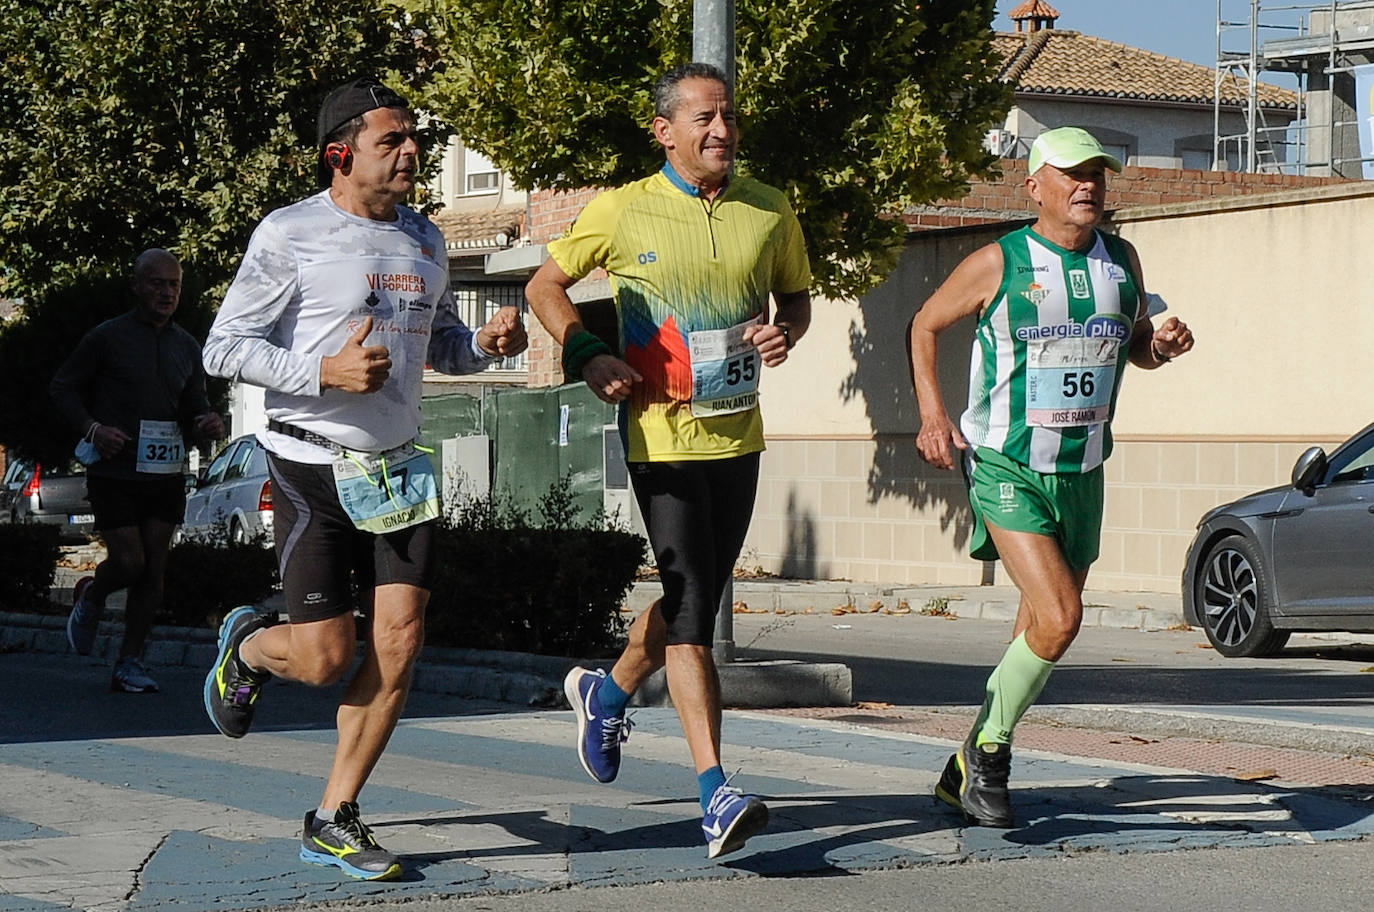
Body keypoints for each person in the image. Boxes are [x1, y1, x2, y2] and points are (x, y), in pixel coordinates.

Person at [200, 76, 527, 881]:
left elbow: (441, 345)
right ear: (340, 154)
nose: (414, 151)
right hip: (311, 462)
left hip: (398, 472)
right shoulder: (290, 233)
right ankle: (247, 647)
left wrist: (484, 347)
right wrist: (323, 371)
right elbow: (224, 347)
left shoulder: (425, 238)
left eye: (415, 139)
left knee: (401, 644)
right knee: (321, 659)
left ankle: (333, 815)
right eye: (393, 141)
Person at [525, 62, 811, 859]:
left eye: (728, 117)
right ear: (665, 131)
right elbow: (546, 287)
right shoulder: (622, 210)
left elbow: (795, 298)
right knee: (693, 617)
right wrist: (587, 352)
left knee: (696, 595)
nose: (722, 131)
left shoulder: (768, 208)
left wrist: (784, 332)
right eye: (703, 119)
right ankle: (716, 790)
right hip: (660, 438)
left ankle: (608, 688)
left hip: (738, 436)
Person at [908, 127, 1195, 828]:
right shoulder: (998, 261)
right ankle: (993, 758)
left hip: (1084, 468)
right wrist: (933, 416)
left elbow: (1132, 351)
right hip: (1008, 463)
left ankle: (963, 763)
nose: (1088, 184)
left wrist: (1158, 345)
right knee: (1063, 618)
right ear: (1034, 187)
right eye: (1071, 173)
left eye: (1096, 172)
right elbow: (923, 324)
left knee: (1037, 628)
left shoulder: (1121, 260)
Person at [51, 248, 226, 694]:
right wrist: (93, 429)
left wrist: (207, 423)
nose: (166, 293)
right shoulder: (107, 338)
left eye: (174, 285)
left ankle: (130, 661)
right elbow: (63, 388)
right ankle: (92, 593)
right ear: (136, 285)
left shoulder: (187, 346)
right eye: (157, 283)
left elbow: (195, 407)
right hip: (116, 469)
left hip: (165, 472)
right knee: (129, 562)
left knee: (154, 569)